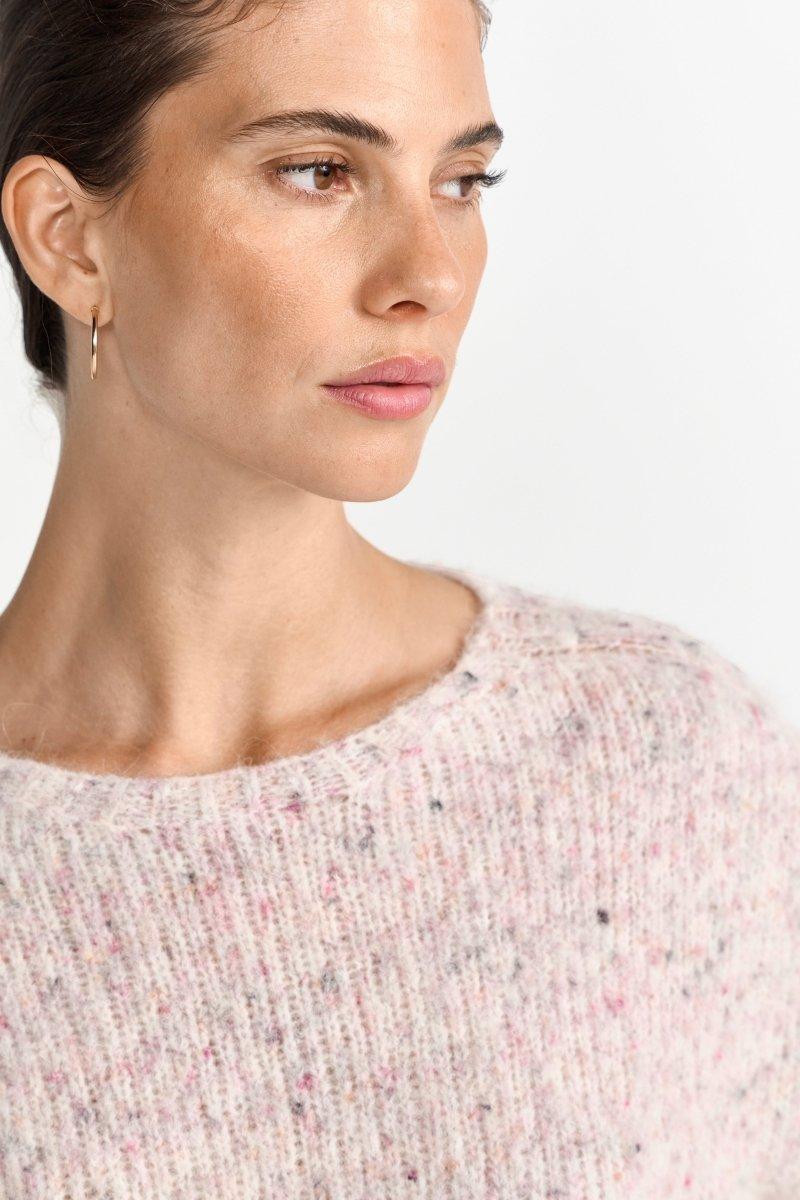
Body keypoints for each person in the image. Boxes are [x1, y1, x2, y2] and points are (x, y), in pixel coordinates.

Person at [0, 1, 797, 1197]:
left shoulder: (664, 762)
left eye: (462, 182)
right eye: (318, 171)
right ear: (68, 240)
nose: (429, 273)